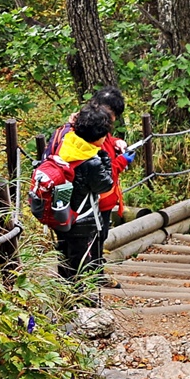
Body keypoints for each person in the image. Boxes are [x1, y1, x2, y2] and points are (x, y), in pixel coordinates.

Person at [46, 88, 133, 242]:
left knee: (89, 242)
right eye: (112, 114)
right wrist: (122, 161)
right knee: (91, 242)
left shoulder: (89, 125)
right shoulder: (85, 132)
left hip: (90, 203)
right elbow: (97, 174)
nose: (112, 119)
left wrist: (115, 142)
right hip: (89, 204)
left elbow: (104, 144)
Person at [52, 103, 115, 285]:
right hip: (82, 219)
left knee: (65, 256)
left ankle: (65, 297)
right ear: (98, 137)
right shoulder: (91, 161)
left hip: (62, 213)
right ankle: (81, 301)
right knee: (81, 263)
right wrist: (105, 159)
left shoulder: (67, 143)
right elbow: (106, 186)